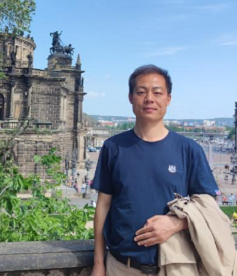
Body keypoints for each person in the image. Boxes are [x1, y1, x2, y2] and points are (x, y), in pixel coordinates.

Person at [91, 65, 219, 276]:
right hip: (122, 267)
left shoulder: (189, 150)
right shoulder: (113, 147)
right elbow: (103, 206)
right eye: (141, 92)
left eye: (157, 92)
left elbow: (209, 206)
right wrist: (98, 263)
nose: (149, 99)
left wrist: (177, 223)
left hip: (175, 267)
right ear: (131, 98)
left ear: (168, 99)